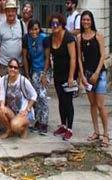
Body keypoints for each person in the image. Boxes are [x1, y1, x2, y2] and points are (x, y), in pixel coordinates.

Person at [77, 10, 109, 147]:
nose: (86, 22)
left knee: (101, 105)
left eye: (88, 20)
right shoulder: (79, 38)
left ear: (92, 21)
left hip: (99, 74)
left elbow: (103, 55)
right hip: (87, 74)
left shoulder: (98, 36)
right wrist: (82, 75)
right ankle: (96, 131)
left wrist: (96, 73)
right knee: (92, 104)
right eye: (84, 20)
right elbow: (79, 58)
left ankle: (106, 134)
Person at [44, 13, 77, 141]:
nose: (55, 26)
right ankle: (63, 124)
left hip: (69, 73)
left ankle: (70, 128)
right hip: (57, 73)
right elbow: (47, 58)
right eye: (52, 24)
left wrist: (71, 77)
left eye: (57, 23)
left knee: (68, 101)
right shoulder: (50, 38)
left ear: (62, 25)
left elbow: (73, 58)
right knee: (61, 101)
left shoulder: (68, 38)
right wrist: (44, 73)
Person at [0, 58, 37, 139]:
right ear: (7, 67)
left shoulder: (23, 80)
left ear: (18, 70)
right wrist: (2, 105)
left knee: (15, 125)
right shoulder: (4, 80)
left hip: (23, 111)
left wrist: (27, 109)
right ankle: (9, 130)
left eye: (15, 68)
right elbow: (2, 95)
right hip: (12, 111)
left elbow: (34, 95)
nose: (13, 69)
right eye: (11, 66)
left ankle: (24, 128)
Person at [22, 19, 49, 135]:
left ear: (39, 29)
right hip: (33, 70)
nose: (34, 32)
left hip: (44, 70)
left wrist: (44, 74)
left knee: (43, 96)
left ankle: (44, 122)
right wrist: (27, 74)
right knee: (35, 96)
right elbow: (24, 57)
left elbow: (47, 57)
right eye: (32, 29)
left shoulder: (44, 38)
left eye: (36, 29)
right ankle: (37, 121)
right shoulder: (26, 38)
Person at [0, 0, 24, 76]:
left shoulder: (22, 25)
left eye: (13, 11)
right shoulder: (0, 27)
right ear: (5, 12)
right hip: (4, 65)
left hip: (18, 65)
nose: (10, 13)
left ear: (16, 11)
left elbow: (25, 43)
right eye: (8, 11)